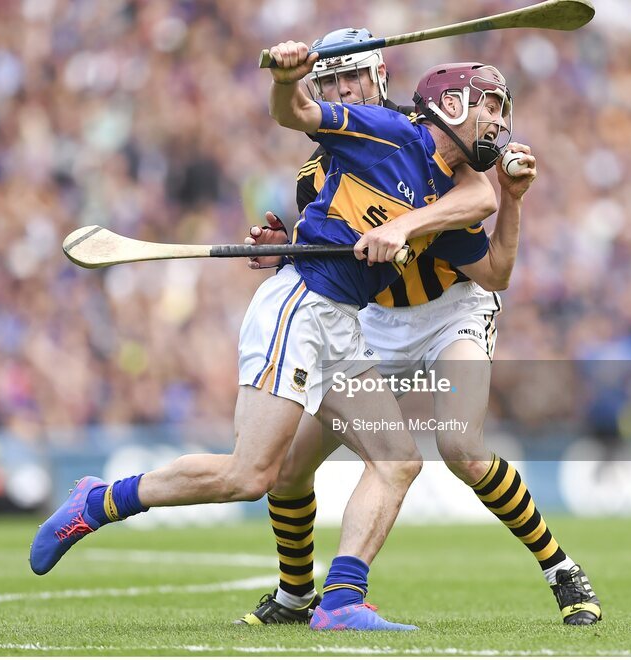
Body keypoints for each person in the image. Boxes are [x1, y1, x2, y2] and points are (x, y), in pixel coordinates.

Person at [29, 39, 508, 632]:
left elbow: (481, 198)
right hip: (302, 310)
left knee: (397, 461)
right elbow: (298, 114)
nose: (497, 124)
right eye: (487, 109)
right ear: (453, 109)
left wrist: (401, 228)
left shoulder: (445, 174)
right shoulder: (379, 130)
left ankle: (340, 603)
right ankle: (100, 501)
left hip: (341, 322)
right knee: (250, 476)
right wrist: (288, 79)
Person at [236, 29, 601, 629]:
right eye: (327, 81)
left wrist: (423, 223)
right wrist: (286, 249)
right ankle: (295, 593)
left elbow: (484, 222)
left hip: (450, 311)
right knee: (288, 466)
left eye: (348, 77)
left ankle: (560, 568)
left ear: (379, 78)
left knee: (461, 447)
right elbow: (331, 245)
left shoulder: (429, 130)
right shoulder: (316, 167)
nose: (338, 89)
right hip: (370, 322)